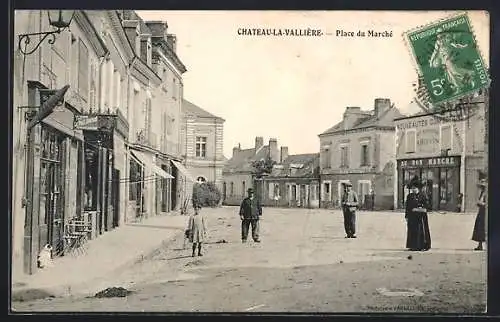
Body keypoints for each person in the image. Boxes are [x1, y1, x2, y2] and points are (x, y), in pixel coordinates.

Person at [404, 176, 431, 251]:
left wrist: (421, 208)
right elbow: (407, 207)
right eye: (412, 188)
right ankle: (413, 246)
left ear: (418, 188)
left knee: (421, 230)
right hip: (412, 216)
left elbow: (427, 205)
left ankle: (422, 246)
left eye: (415, 188)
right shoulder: (409, 196)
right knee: (412, 230)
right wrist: (406, 216)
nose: (414, 190)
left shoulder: (423, 196)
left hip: (421, 216)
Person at [472, 178, 487, 251]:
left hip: (485, 212)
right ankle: (480, 245)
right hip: (481, 211)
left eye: (483, 187)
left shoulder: (487, 193)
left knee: (483, 228)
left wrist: (481, 203)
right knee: (479, 228)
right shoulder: (482, 193)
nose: (482, 188)